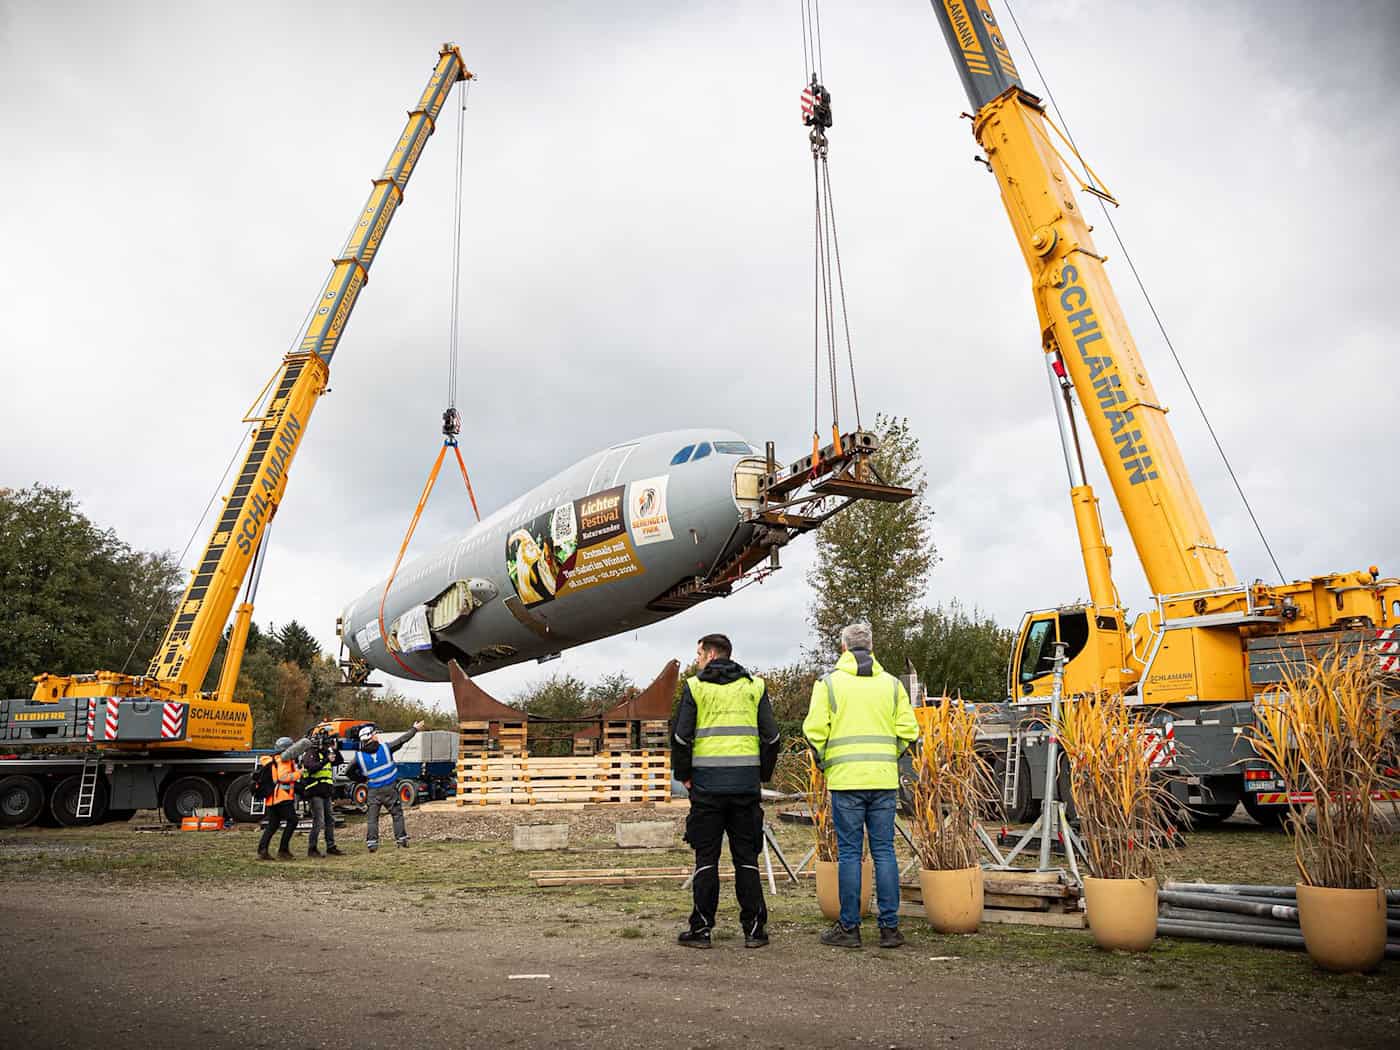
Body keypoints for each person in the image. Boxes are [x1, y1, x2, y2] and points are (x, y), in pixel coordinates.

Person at [802, 623, 919, 948]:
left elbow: (814, 732)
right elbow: (909, 731)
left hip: (845, 781)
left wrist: (827, 761)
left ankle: (850, 929)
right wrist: (889, 756)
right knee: (884, 852)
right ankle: (889, 929)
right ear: (871, 648)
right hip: (883, 780)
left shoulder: (828, 685)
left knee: (850, 853)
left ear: (843, 648)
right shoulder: (893, 685)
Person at [671, 633, 781, 949]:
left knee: (706, 857)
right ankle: (755, 930)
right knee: (746, 858)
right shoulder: (754, 687)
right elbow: (772, 739)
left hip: (706, 788)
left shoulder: (695, 687)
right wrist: (761, 775)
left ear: (711, 654)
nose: (696, 660)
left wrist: (685, 776)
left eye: (699, 654)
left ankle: (702, 929)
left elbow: (681, 738)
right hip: (745, 788)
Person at [355, 720, 424, 851]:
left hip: (373, 791)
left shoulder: (359, 757)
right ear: (371, 737)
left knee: (372, 819)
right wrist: (414, 729)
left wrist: (362, 778)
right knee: (397, 815)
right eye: (375, 733)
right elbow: (402, 740)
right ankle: (402, 840)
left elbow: (348, 771)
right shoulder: (386, 748)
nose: (377, 735)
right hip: (389, 789)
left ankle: (372, 844)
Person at [256, 736, 304, 861]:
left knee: (273, 824)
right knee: (293, 821)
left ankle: (262, 850)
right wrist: (299, 773)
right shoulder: (284, 761)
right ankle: (283, 850)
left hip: (272, 798)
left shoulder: (273, 760)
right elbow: (283, 777)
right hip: (282, 796)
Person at [300, 729, 344, 858]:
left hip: (326, 792)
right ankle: (312, 848)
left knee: (330, 820)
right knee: (319, 821)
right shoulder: (310, 753)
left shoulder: (326, 753)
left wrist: (335, 750)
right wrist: (326, 760)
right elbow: (311, 767)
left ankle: (331, 846)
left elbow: (338, 761)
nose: (328, 745)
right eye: (327, 743)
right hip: (315, 791)